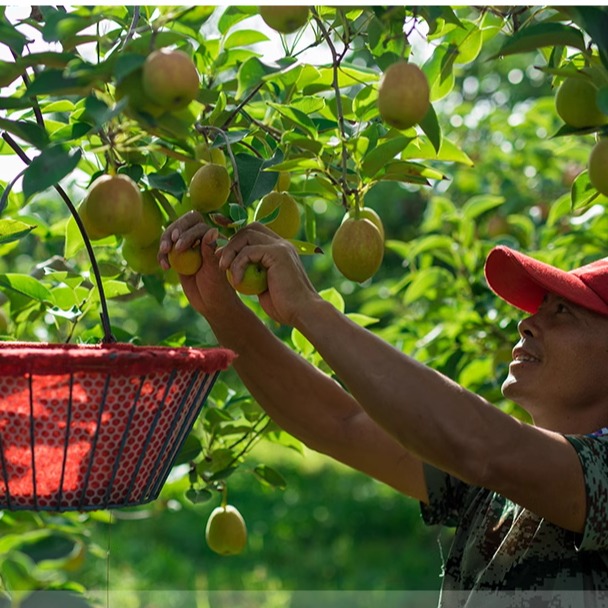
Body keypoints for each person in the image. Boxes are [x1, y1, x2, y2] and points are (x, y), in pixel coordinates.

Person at [158, 212, 608, 607]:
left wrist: (310, 308)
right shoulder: (504, 481)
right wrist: (221, 308)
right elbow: (342, 423)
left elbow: (481, 446)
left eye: (564, 313)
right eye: (540, 309)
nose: (527, 322)